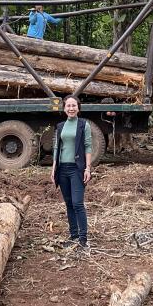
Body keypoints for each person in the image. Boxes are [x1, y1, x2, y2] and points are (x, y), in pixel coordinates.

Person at [50, 96, 93, 250]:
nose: (71, 108)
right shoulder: (60, 126)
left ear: (78, 108)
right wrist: (54, 166)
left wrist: (88, 168)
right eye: (68, 105)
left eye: (74, 105)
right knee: (68, 203)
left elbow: (88, 146)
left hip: (77, 169)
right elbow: (56, 147)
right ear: (64, 108)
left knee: (77, 203)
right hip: (62, 169)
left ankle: (83, 240)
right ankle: (74, 236)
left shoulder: (83, 125)